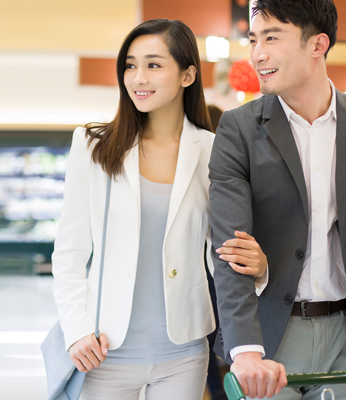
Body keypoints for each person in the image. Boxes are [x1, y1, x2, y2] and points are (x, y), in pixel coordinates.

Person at [209, 1, 346, 399]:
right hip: (270, 334)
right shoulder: (237, 129)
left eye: (272, 38)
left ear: (318, 45)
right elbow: (230, 249)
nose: (257, 53)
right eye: (254, 39)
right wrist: (244, 350)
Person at [52, 19, 267, 400]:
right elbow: (69, 252)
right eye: (130, 65)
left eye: (153, 64)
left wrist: (260, 267)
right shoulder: (93, 146)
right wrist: (76, 330)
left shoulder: (215, 149)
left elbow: (224, 248)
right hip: (103, 350)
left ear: (187, 75)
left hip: (183, 353)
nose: (137, 77)